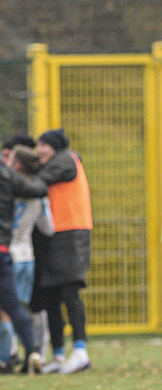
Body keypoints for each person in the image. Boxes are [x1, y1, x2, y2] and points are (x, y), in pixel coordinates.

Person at [30, 128, 93, 375]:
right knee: (50, 296)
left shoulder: (67, 160)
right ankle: (57, 354)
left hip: (72, 234)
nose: (39, 150)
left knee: (70, 292)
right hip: (54, 235)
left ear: (55, 146)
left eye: (43, 145)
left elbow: (39, 182)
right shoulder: (56, 162)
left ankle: (80, 350)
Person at [3, 145, 54, 369]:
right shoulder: (38, 195)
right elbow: (48, 229)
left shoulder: (9, 188)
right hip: (27, 255)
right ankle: (34, 352)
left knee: (7, 310)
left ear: (17, 164)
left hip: (9, 250)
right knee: (21, 307)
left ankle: (11, 353)